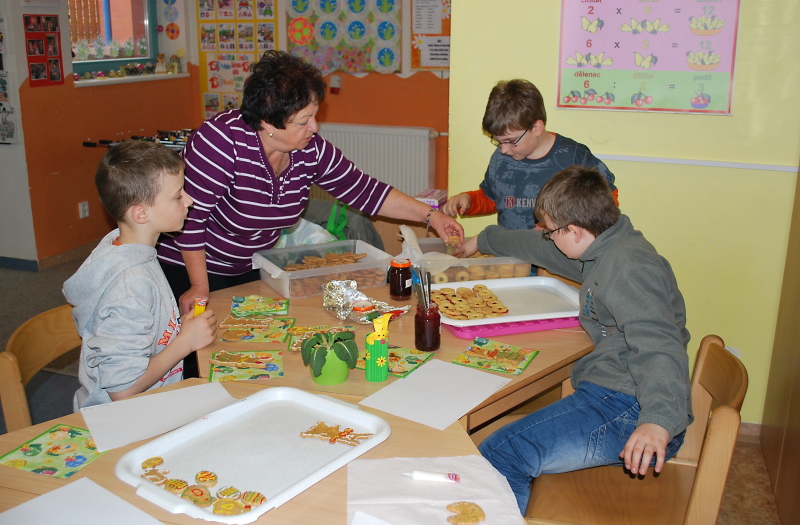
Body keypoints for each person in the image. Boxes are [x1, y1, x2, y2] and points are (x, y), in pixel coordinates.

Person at [157, 50, 463, 316]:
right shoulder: (220, 141)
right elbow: (191, 219)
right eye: (304, 121)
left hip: (248, 265)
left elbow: (365, 190)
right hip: (188, 266)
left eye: (314, 116)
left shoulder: (310, 150)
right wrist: (199, 285)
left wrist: (431, 215)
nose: (315, 128)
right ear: (268, 121)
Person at [460, 166, 691, 513]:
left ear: (575, 231)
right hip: (619, 391)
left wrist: (657, 420)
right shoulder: (602, 245)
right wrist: (485, 239)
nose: (547, 237)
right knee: (503, 443)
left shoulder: (629, 267)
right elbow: (538, 249)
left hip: (633, 409)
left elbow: (659, 345)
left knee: (502, 453)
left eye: (551, 231)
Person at [63, 141, 218, 410]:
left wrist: (176, 330)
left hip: (152, 403)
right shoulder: (130, 284)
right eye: (178, 196)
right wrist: (185, 342)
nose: (189, 201)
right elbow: (122, 390)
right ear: (141, 214)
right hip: (122, 417)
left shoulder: (131, 250)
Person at [442, 79, 617, 230]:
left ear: (536, 128)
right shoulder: (500, 158)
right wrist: (468, 200)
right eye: (498, 141)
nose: (504, 150)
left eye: (511, 141)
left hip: (556, 257)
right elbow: (493, 198)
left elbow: (607, 202)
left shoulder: (573, 157)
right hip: (510, 254)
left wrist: (556, 227)